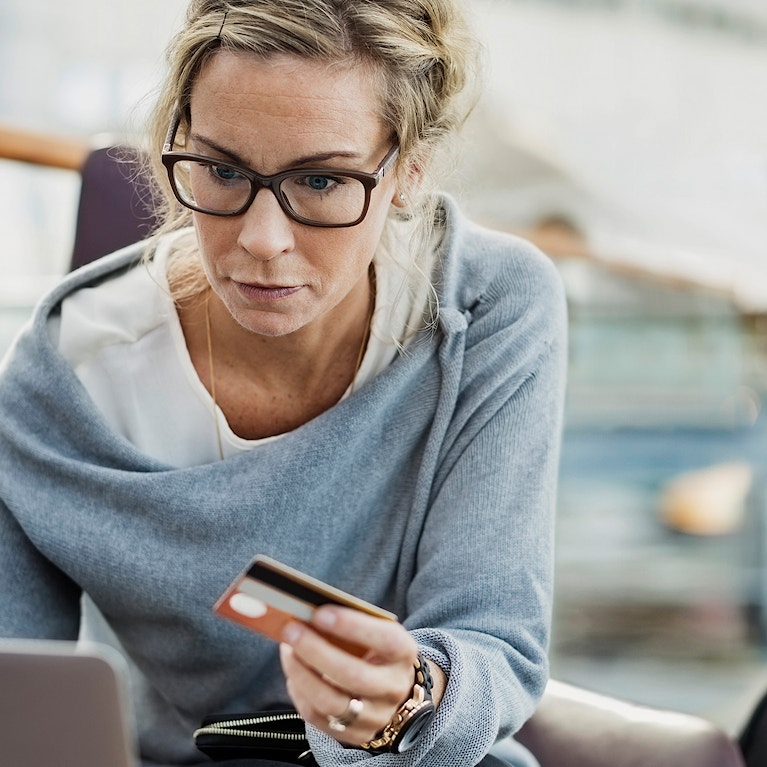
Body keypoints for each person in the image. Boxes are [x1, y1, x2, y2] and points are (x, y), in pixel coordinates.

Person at [0, 1, 567, 765]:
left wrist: (409, 696)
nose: (261, 241)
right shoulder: (68, 374)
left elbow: (494, 643)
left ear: (409, 170)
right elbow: (18, 698)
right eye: (223, 169)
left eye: (322, 181)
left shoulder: (485, 308)